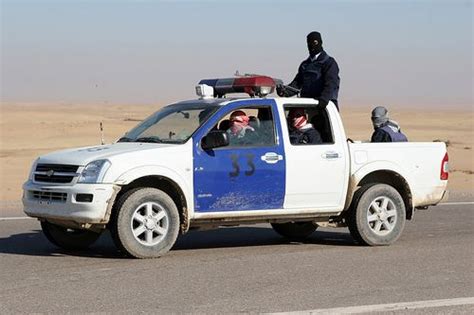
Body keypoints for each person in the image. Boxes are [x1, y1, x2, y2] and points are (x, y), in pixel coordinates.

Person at [277, 31, 340, 110]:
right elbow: (296, 84)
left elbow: (331, 84)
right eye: (310, 43)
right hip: (308, 106)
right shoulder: (305, 65)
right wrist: (284, 91)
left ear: (320, 42)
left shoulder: (329, 63)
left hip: (325, 107)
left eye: (315, 42)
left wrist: (324, 99)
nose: (312, 46)